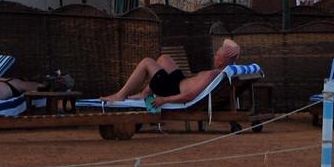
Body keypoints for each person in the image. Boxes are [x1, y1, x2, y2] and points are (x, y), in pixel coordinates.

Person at [100, 38, 240, 106]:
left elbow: (190, 95)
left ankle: (120, 95)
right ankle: (144, 93)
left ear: (221, 61)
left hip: (171, 90)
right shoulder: (219, 73)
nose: (214, 55)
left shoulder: (212, 75)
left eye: (217, 54)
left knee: (147, 62)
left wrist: (164, 100)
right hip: (179, 82)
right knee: (164, 58)